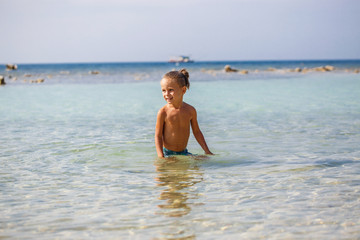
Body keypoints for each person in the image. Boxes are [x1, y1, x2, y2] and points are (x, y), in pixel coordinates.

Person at [155, 69, 213, 158]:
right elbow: (158, 136)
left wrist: (207, 151)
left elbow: (197, 132)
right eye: (163, 90)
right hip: (168, 154)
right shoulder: (163, 112)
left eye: (170, 90)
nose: (166, 94)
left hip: (184, 153)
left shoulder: (190, 110)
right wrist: (161, 156)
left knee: (205, 161)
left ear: (183, 90)